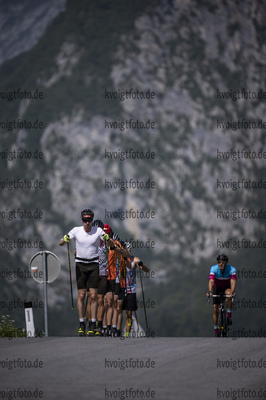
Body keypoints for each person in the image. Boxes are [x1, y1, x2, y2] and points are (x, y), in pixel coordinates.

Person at [59, 209, 109, 336]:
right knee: (81, 296)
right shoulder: (76, 230)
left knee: (93, 296)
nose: (87, 223)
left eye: (90, 220)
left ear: (92, 220)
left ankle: (92, 323)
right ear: (82, 220)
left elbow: (110, 244)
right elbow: (61, 243)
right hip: (80, 265)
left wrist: (108, 239)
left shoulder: (98, 231)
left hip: (93, 265)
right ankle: (82, 323)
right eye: (85, 220)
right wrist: (64, 239)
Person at [207, 254, 237, 337]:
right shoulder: (214, 269)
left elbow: (233, 281)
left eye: (222, 262)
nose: (220, 264)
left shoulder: (232, 269)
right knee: (215, 309)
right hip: (217, 288)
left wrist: (233, 292)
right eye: (219, 262)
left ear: (226, 263)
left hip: (226, 288)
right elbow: (211, 281)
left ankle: (229, 314)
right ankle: (216, 330)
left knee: (229, 294)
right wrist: (209, 291)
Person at [124, 247, 149, 337]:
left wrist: (141, 264)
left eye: (128, 250)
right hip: (121, 288)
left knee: (129, 314)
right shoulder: (119, 258)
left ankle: (127, 334)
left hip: (131, 289)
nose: (127, 251)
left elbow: (146, 270)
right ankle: (115, 330)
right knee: (118, 310)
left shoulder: (134, 259)